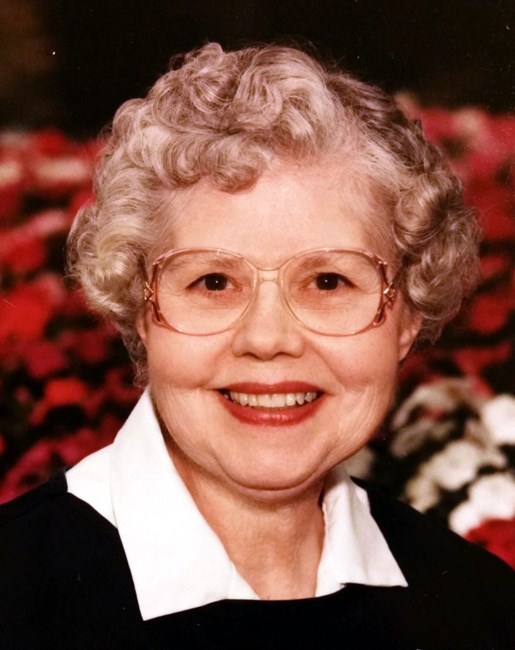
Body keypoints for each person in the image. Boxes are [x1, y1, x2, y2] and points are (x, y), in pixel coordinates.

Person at [0, 43, 513, 649]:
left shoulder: (483, 609)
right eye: (213, 282)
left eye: (329, 282)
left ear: (407, 316)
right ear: (140, 307)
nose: (268, 338)